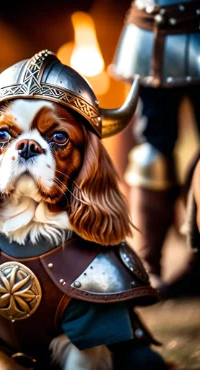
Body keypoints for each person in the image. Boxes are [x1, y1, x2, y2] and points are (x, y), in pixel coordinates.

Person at [110, 0, 200, 292]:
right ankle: (148, 267)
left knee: (153, 147)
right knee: (151, 153)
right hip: (154, 21)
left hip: (156, 24)